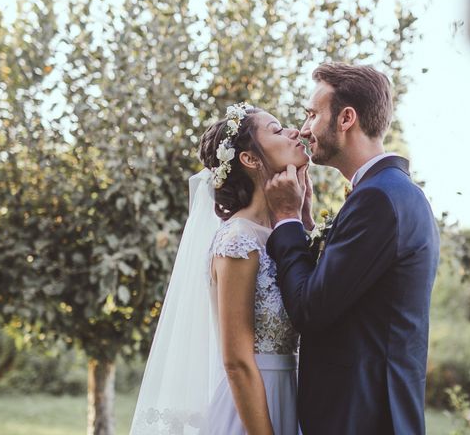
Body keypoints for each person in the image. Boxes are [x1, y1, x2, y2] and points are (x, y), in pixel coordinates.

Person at [264, 62, 440, 435]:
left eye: (312, 114)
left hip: (359, 418)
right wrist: (307, 224)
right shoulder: (395, 193)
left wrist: (286, 219)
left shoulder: (377, 199)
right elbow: (349, 291)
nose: (305, 128)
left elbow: (311, 309)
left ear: (346, 118)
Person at [130, 103, 308, 434]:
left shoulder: (281, 234)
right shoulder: (238, 238)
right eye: (276, 129)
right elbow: (236, 361)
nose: (294, 132)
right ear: (250, 159)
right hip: (252, 409)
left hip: (292, 396)